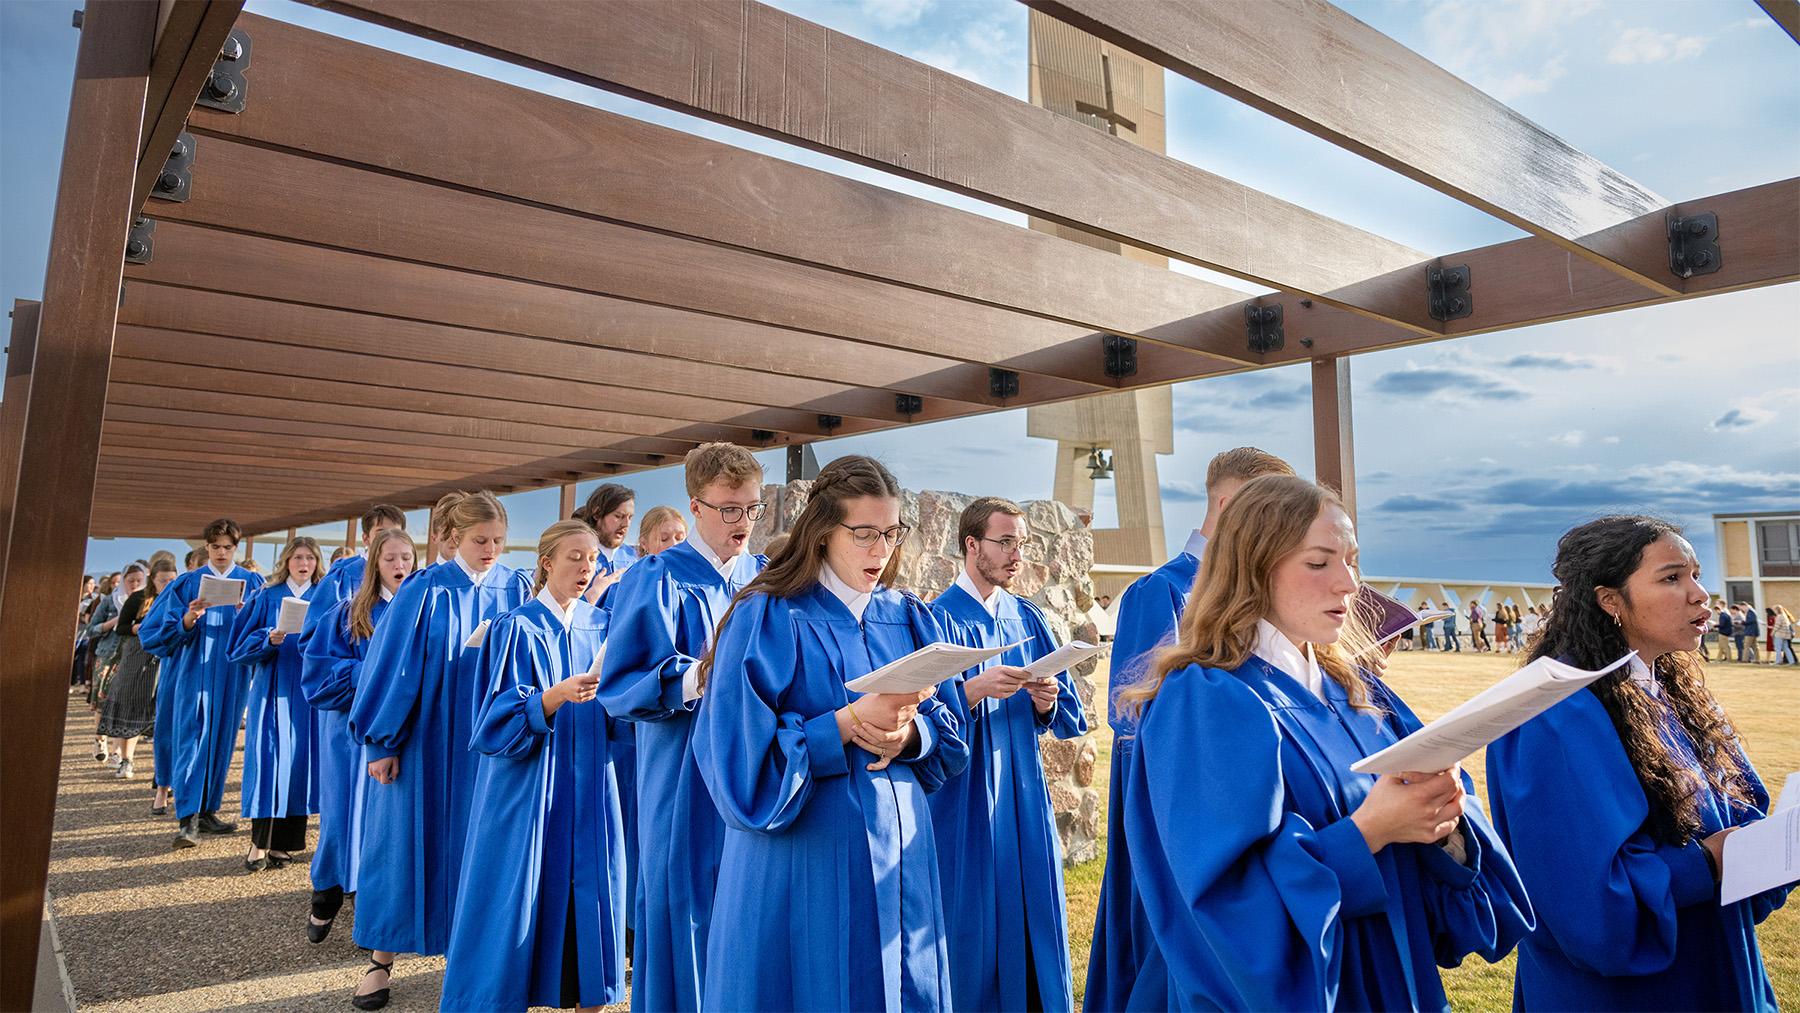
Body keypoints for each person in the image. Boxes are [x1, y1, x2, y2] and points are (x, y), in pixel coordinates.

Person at [1119, 475, 1531, 1009]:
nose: (1349, 584)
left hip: (1394, 975)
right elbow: (1225, 904)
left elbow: (1453, 869)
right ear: (1253, 568)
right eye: (1319, 563)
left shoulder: (1356, 690)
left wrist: (1444, 818)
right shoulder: (1205, 699)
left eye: (1351, 560)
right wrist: (1369, 833)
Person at [692, 454, 970, 1010]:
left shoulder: (908, 616)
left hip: (900, 854)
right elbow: (735, 758)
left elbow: (951, 729)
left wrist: (910, 736)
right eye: (864, 533)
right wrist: (843, 724)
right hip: (805, 856)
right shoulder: (769, 616)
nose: (881, 548)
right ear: (821, 532)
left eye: (892, 532)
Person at [1487, 516, 1790, 1009]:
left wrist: (1774, 849)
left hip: (1716, 965)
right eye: (1672, 578)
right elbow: (1583, 902)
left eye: (1695, 574)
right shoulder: (1555, 714)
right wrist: (1709, 862)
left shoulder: (1669, 692)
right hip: (1630, 994)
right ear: (1610, 601)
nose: (1699, 595)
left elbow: (1740, 815)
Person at [1087, 446, 1294, 1010]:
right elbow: (1130, 713)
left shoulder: (1258, 593)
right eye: (1265, 509)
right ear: (1228, 504)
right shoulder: (1163, 590)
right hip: (1176, 805)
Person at [598, 443, 766, 1011]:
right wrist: (697, 676)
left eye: (752, 508)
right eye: (729, 509)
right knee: (684, 903)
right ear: (695, 506)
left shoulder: (767, 580)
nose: (742, 523)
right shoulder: (656, 577)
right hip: (681, 771)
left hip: (751, 769)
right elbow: (620, 685)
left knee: (749, 906)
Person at [349, 491, 531, 1008]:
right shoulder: (425, 590)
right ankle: (380, 962)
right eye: (480, 540)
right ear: (454, 538)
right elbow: (392, 669)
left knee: (480, 850)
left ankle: (468, 959)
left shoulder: (515, 587)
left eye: (498, 540)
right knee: (402, 847)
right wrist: (382, 742)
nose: (491, 549)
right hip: (425, 742)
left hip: (489, 744)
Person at [441, 520, 628, 1012]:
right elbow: (490, 720)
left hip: (590, 782)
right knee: (517, 895)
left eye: (592, 559)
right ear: (546, 562)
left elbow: (623, 717)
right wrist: (551, 698)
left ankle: (590, 999)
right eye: (574, 557)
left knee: (590, 891)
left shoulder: (603, 627)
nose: (586, 568)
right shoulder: (515, 628)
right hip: (530, 787)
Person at [927, 497, 1087, 1011]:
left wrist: (1046, 701)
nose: (1017, 554)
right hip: (965, 794)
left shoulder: (1027, 616)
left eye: (1022, 542)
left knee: (1031, 901)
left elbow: (1061, 717)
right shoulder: (935, 620)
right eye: (1005, 542)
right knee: (971, 909)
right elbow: (918, 719)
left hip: (1022, 786)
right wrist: (972, 691)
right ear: (972, 545)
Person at [299, 527, 416, 949]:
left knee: (385, 828)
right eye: (391, 559)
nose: (400, 566)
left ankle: (374, 915)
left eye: (407, 558)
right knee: (341, 818)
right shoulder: (349, 614)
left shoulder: (422, 614)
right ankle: (327, 889)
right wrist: (371, 674)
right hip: (348, 737)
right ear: (374, 565)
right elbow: (316, 679)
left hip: (401, 737)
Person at [140, 519, 265, 847]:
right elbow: (153, 631)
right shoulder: (187, 584)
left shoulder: (252, 582)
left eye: (227, 547)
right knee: (192, 737)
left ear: (235, 548)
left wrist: (246, 615)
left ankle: (208, 809)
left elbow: (267, 625)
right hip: (194, 668)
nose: (221, 553)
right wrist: (187, 619)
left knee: (221, 738)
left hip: (232, 673)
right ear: (206, 547)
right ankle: (188, 818)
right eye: (215, 547)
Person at [228, 536, 323, 872]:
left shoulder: (325, 596)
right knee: (270, 762)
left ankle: (284, 844)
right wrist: (267, 638)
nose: (304, 563)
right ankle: (259, 842)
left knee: (299, 765)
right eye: (298, 557)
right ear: (287, 560)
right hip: (273, 688)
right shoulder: (267, 595)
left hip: (309, 693)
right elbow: (238, 645)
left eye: (310, 558)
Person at [99, 559, 176, 786]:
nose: (168, 584)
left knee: (160, 710)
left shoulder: (178, 599)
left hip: (166, 657)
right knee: (131, 702)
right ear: (153, 579)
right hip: (137, 654)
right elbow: (121, 627)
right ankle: (126, 758)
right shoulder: (139, 598)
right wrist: (138, 627)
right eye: (163, 580)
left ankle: (161, 770)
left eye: (172, 579)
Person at [297, 504, 407, 654]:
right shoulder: (342, 578)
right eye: (381, 533)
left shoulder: (411, 581)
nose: (389, 539)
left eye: (395, 532)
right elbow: (315, 643)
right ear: (366, 538)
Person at [89, 565, 145, 763]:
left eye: (139, 580)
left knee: (123, 703)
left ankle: (117, 752)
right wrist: (113, 623)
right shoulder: (109, 601)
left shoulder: (145, 602)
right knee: (103, 702)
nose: (135, 584)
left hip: (133, 657)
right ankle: (100, 739)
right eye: (131, 580)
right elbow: (91, 629)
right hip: (108, 657)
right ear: (123, 581)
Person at [574, 483, 637, 604]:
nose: (626, 524)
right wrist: (590, 596)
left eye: (630, 517)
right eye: (618, 516)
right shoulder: (574, 557)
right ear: (597, 513)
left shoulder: (634, 559)